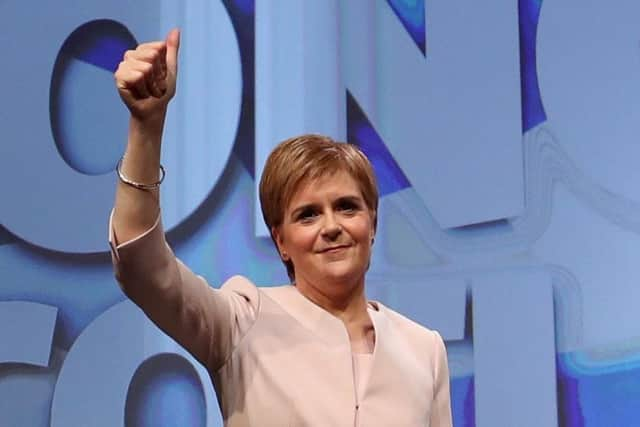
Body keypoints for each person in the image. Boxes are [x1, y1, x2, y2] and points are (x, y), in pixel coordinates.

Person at [110, 29, 453, 426]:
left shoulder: (423, 348)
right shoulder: (241, 321)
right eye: (307, 214)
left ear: (372, 223)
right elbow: (143, 268)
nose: (331, 227)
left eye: (347, 207)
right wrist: (145, 127)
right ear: (281, 241)